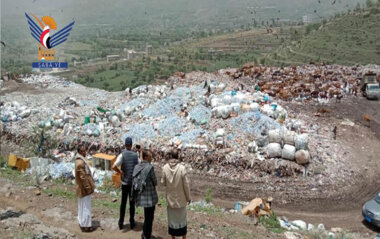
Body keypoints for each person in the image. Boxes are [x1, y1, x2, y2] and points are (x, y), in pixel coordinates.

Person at [161, 149, 191, 239]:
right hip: (181, 200)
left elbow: (163, 183)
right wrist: (188, 198)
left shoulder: (165, 168)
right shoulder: (182, 168)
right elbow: (186, 185)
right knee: (182, 220)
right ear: (178, 157)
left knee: (172, 221)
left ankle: (173, 238)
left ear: (170, 156)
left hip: (171, 201)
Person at [112, 137, 139, 230]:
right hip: (132, 183)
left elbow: (114, 166)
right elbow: (139, 167)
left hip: (124, 182)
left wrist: (120, 172)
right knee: (132, 203)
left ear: (125, 145)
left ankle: (121, 223)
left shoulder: (122, 155)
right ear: (131, 145)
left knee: (123, 203)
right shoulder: (136, 155)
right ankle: (132, 222)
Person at [133, 149, 158, 239]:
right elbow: (155, 181)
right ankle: (147, 235)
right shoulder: (150, 168)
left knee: (146, 216)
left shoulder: (137, 167)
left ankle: (144, 233)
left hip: (141, 196)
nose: (151, 158)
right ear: (146, 157)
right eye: (150, 156)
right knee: (149, 218)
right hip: (150, 198)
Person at [75, 143, 96, 232]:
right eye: (83, 151)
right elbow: (83, 178)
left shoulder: (79, 160)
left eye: (85, 150)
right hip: (84, 189)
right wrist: (88, 188)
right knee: (86, 207)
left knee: (82, 206)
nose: (85, 153)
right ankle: (87, 226)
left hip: (80, 188)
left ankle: (82, 222)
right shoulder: (80, 163)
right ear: (79, 152)